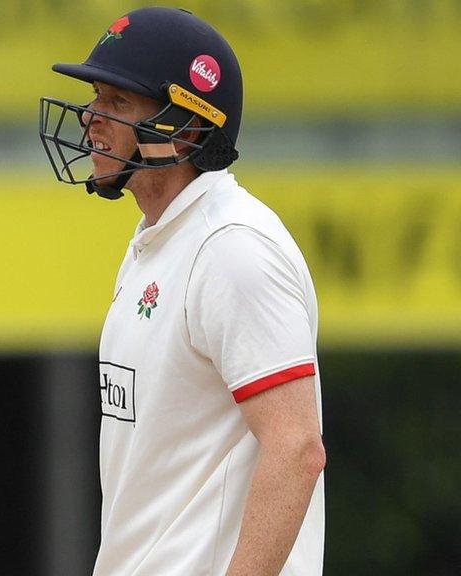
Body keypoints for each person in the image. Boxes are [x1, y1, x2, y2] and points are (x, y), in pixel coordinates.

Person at [39, 7, 325, 575]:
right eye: (96, 97)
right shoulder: (161, 239)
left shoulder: (232, 248)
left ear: (187, 127)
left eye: (118, 102)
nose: (91, 118)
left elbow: (296, 449)